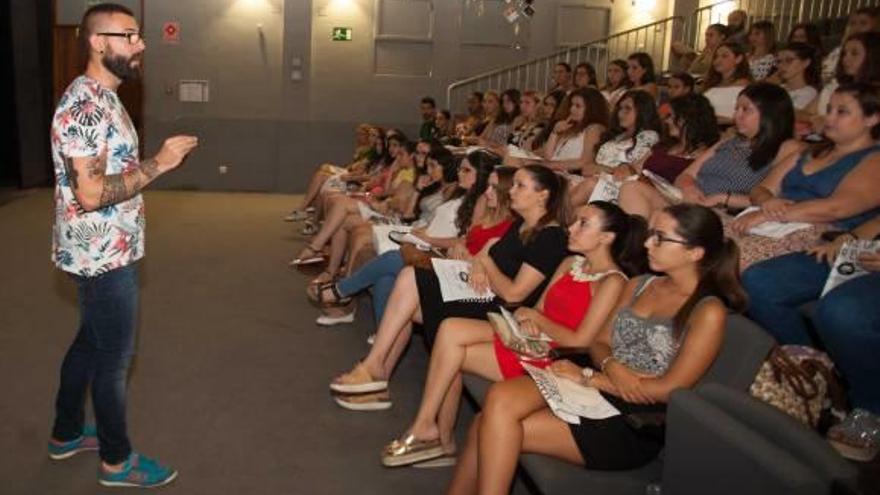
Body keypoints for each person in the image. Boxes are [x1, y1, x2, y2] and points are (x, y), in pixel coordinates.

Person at [445, 204, 746, 495]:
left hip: (635, 420)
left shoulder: (708, 311)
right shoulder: (640, 284)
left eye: (660, 238)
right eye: (650, 234)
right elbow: (600, 343)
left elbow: (669, 390)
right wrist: (610, 369)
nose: (648, 244)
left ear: (694, 252)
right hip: (599, 383)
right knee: (497, 400)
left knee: (489, 425)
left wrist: (594, 378)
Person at [48, 3, 198, 489]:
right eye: (128, 35)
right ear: (97, 42)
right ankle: (117, 462)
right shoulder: (86, 106)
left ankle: (66, 432)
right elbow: (90, 194)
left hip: (104, 249)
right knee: (113, 360)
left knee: (89, 344)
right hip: (102, 258)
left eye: (139, 35)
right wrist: (159, 163)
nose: (141, 44)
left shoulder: (106, 96)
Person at [380, 202, 648, 467]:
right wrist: (527, 318)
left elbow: (582, 341)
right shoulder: (570, 263)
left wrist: (536, 319)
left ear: (606, 237)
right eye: (575, 220)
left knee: (452, 353)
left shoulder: (612, 281)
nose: (572, 228)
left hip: (555, 355)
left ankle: (437, 437)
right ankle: (429, 427)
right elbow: (537, 308)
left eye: (583, 224)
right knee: (449, 328)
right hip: (530, 338)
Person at [330, 165, 570, 407]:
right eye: (514, 184)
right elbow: (485, 258)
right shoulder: (520, 225)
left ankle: (374, 369)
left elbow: (515, 294)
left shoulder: (552, 237)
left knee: (408, 282)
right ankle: (377, 373)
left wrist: (485, 263)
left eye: (520, 186)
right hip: (481, 293)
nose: (512, 192)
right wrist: (479, 264)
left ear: (543, 195)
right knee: (406, 291)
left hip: (501, 312)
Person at [742, 213, 880, 462]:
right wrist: (849, 239)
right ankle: (817, 379)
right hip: (868, 250)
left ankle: (871, 407)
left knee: (842, 312)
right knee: (760, 282)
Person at [730, 83, 880, 268]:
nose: (829, 118)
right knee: (700, 242)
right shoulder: (809, 152)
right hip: (770, 223)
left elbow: (836, 209)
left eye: (841, 112)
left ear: (871, 118)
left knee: (730, 259)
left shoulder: (874, 160)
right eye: (828, 110)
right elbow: (761, 189)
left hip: (821, 234)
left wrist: (769, 215)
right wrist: (767, 201)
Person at [620, 83, 801, 219]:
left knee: (632, 190)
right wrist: (689, 188)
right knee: (631, 188)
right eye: (736, 108)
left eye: (746, 109)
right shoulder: (730, 141)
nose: (736, 116)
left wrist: (721, 198)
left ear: (771, 113)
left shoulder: (787, 148)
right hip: (688, 201)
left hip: (722, 211)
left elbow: (772, 196)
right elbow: (686, 176)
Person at [620, 93, 720, 218]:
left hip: (671, 202)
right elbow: (635, 167)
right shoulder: (664, 146)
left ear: (685, 119)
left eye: (671, 116)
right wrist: (625, 169)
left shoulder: (708, 154)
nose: (667, 121)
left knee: (631, 189)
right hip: (639, 187)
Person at [542, 87, 609, 175]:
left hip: (571, 175)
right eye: (571, 105)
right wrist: (554, 132)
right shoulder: (570, 127)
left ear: (591, 108)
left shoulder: (594, 128)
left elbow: (585, 161)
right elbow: (548, 156)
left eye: (578, 106)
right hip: (555, 171)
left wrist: (550, 165)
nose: (572, 109)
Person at [821, 7, 879, 83]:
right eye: (852, 23)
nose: (856, 28)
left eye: (863, 23)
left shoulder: (876, 54)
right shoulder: (838, 49)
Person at [702, 41, 752, 123]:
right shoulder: (712, 83)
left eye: (724, 56)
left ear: (738, 59)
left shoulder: (744, 87)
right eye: (716, 57)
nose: (718, 60)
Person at [775, 42, 821, 110]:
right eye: (779, 61)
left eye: (789, 60)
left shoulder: (809, 93)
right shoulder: (777, 89)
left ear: (806, 63)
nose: (782, 65)